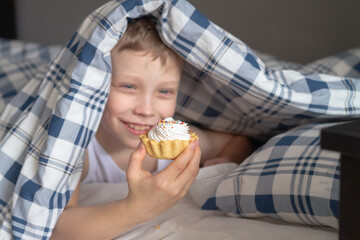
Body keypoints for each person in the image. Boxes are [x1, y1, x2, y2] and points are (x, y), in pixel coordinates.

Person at [51, 17, 253, 240]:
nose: (147, 110)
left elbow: (237, 141)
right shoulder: (80, 148)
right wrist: (138, 207)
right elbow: (57, 229)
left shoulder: (175, 143)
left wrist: (224, 160)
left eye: (164, 91)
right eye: (129, 86)